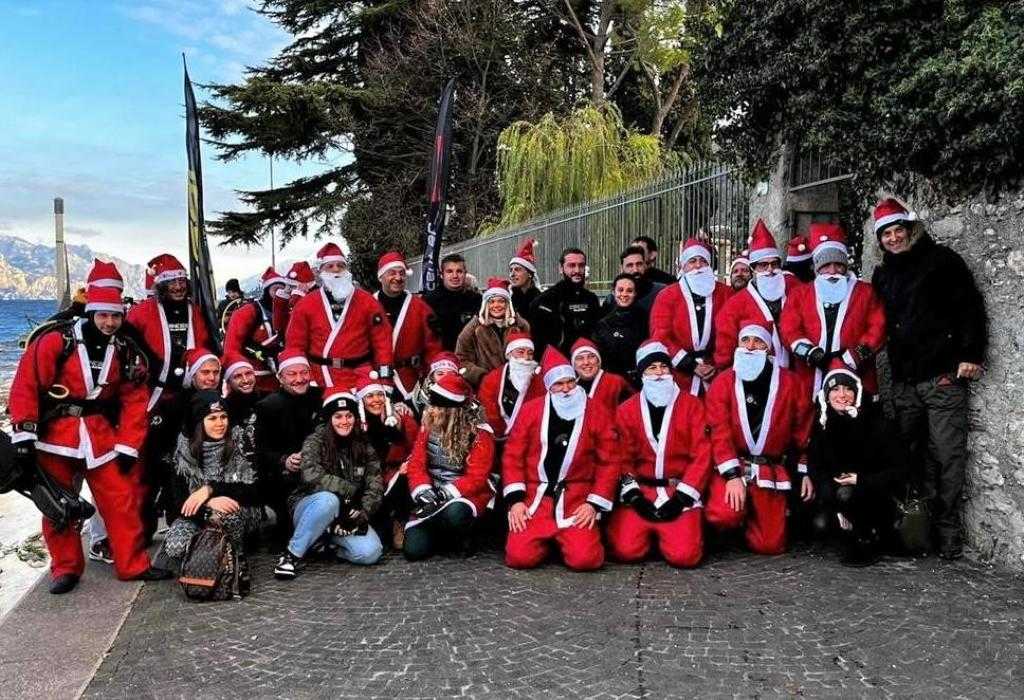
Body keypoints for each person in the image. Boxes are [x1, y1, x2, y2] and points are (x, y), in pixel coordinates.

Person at [7, 270, 170, 593]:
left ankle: (132, 565)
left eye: (115, 316)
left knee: (122, 501)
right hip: (55, 437)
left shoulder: (124, 350)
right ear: (91, 311)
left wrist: (128, 445)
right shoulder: (56, 340)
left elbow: (134, 400)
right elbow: (26, 384)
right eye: (104, 315)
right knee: (57, 505)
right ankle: (65, 569)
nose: (110, 322)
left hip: (101, 437)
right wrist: (24, 435)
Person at [870, 197, 987, 560]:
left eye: (898, 230)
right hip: (905, 380)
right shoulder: (883, 274)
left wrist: (970, 354)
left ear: (910, 229)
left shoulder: (943, 262)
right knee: (906, 453)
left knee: (946, 455)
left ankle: (947, 531)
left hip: (941, 377)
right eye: (886, 234)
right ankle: (911, 530)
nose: (893, 238)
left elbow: (970, 307)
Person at [502, 347, 619, 571]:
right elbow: (513, 455)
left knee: (585, 560)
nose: (566, 389)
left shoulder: (596, 410)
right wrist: (516, 501)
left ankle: (574, 539)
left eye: (570, 382)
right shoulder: (530, 411)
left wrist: (594, 504)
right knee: (519, 558)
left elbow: (610, 461)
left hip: (576, 498)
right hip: (536, 498)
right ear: (548, 386)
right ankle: (548, 541)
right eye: (558, 384)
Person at [703, 318, 813, 555]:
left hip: (769, 469)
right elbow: (718, 431)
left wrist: (803, 470)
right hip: (734, 465)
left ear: (769, 347)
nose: (751, 346)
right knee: (723, 514)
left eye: (758, 341)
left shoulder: (791, 383)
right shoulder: (723, 382)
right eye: (745, 340)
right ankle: (733, 519)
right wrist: (732, 475)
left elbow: (803, 429)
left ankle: (753, 518)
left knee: (770, 545)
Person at [128, 253, 213, 540]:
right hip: (154, 398)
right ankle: (141, 530)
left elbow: (202, 345)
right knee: (148, 465)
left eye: (181, 280)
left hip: (187, 396)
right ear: (159, 286)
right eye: (171, 282)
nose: (177, 286)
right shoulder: (141, 313)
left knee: (186, 461)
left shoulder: (195, 312)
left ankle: (183, 522)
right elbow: (128, 349)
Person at [607, 340, 711, 568]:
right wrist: (634, 495)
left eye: (663, 367)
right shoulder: (626, 410)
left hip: (678, 488)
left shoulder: (692, 405)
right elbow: (622, 457)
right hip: (643, 489)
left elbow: (702, 454)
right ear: (642, 373)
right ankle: (653, 534)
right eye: (651, 368)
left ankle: (676, 531)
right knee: (625, 551)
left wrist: (682, 497)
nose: (659, 373)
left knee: (685, 557)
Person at [274, 389, 385, 579]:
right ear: (329, 419)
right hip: (310, 506)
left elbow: (375, 483)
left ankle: (325, 544)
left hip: (345, 513)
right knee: (328, 500)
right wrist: (350, 493)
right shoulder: (314, 442)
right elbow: (311, 477)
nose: (344, 421)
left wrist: (362, 513)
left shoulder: (364, 445)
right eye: (338, 416)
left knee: (370, 553)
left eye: (349, 416)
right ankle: (291, 556)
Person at [808, 368, 909, 566]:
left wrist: (860, 480)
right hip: (838, 494)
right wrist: (832, 497)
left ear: (858, 393)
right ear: (827, 396)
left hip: (875, 492)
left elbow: (899, 470)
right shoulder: (822, 424)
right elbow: (817, 466)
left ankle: (868, 536)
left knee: (849, 496)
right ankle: (847, 527)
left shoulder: (877, 424)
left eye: (848, 389)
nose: (842, 395)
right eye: (835, 389)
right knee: (820, 524)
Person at [160, 391, 263, 576]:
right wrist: (207, 505)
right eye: (212, 418)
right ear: (200, 422)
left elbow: (253, 490)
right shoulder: (183, 451)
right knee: (174, 547)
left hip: (241, 508)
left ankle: (236, 558)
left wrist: (209, 489)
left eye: (223, 417)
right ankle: (208, 552)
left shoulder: (240, 440)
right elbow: (178, 500)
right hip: (198, 513)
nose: (220, 423)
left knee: (225, 513)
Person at [781, 222, 886, 397]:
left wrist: (853, 356)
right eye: (825, 265)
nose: (832, 271)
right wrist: (810, 353)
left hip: (857, 378)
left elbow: (878, 329)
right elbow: (788, 329)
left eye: (838, 264)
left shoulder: (865, 292)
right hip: (810, 379)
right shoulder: (800, 294)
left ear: (846, 265)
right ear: (816, 268)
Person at [403, 373, 495, 561]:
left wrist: (446, 493)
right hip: (432, 493)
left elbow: (477, 477)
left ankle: (465, 533)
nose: (431, 411)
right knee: (414, 551)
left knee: (455, 514)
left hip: (465, 494)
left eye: (437, 407)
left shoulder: (479, 433)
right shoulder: (429, 425)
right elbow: (416, 464)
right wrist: (423, 490)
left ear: (451, 411)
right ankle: (439, 532)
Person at [285, 242, 394, 390]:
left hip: (361, 377)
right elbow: (295, 345)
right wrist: (301, 378)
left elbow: (382, 342)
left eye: (340, 266)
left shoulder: (368, 301)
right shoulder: (305, 305)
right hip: (321, 377)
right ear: (319, 271)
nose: (336, 270)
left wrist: (385, 379)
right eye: (330, 266)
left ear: (347, 270)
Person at [715, 219, 801, 372]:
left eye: (774, 264)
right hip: (755, 375)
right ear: (753, 269)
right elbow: (724, 349)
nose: (770, 270)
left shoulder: (794, 290)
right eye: (763, 265)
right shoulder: (735, 305)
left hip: (795, 374)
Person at [649, 237, 731, 396]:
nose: (698, 266)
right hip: (680, 373)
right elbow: (660, 336)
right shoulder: (667, 296)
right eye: (692, 261)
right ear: (683, 266)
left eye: (703, 261)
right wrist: (691, 365)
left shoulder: (725, 294)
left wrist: (717, 363)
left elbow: (731, 333)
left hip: (716, 371)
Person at [254, 350, 323, 536]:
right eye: (292, 374)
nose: (299, 379)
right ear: (280, 378)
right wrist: (284, 460)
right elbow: (261, 450)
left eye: (304, 373)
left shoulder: (321, 398)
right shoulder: (268, 405)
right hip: (284, 478)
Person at [352, 369, 419, 549]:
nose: (376, 400)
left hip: (398, 473)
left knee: (405, 476)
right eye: (370, 396)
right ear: (361, 401)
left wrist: (407, 464)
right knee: (380, 536)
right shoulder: (356, 424)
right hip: (370, 478)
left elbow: (416, 447)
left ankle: (400, 521)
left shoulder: (400, 418)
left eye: (379, 395)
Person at [373, 251, 442, 401]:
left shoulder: (421, 308)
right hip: (375, 381)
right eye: (392, 273)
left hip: (411, 381)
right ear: (381, 276)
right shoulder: (366, 306)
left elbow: (433, 348)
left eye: (402, 273)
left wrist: (431, 376)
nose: (398, 278)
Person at [455, 277, 531, 387]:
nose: (496, 306)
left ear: (508, 304)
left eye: (501, 301)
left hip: (516, 386)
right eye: (492, 301)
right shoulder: (473, 328)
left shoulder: (521, 326)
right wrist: (482, 377)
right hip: (483, 387)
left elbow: (529, 355)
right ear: (486, 304)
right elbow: (461, 359)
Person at [224, 267, 288, 393]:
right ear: (266, 290)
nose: (279, 293)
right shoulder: (248, 312)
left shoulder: (288, 312)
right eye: (275, 289)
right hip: (253, 380)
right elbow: (231, 347)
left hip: (282, 379)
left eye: (283, 290)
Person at [530, 247, 601, 357]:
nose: (577, 270)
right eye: (571, 265)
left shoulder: (591, 299)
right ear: (561, 268)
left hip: (586, 364)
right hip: (556, 366)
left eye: (581, 265)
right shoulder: (544, 300)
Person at [477, 330, 545, 442]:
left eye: (530, 353)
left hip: (534, 436)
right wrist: (502, 431)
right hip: (501, 436)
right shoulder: (493, 378)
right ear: (509, 354)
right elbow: (487, 409)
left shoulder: (541, 378)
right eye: (520, 352)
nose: (526, 357)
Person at [422, 253, 483, 351]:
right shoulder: (428, 302)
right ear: (441, 275)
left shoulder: (477, 300)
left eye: (459, 271)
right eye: (449, 271)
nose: (455, 276)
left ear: (465, 273)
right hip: (441, 359)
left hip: (471, 357)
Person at [593, 273, 648, 380]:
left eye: (629, 291)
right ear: (613, 292)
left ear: (635, 293)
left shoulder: (645, 319)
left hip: (640, 379)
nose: (624, 294)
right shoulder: (604, 323)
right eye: (620, 290)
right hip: (613, 380)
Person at [570, 338, 633, 414]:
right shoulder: (570, 388)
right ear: (574, 364)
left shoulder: (616, 382)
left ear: (598, 360)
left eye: (591, 356)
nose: (586, 362)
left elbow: (633, 414)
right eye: (580, 358)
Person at [604, 246, 664, 315]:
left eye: (639, 264)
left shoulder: (661, 293)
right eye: (630, 265)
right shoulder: (612, 300)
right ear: (621, 268)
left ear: (645, 265)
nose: (635, 270)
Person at [409, 351, 463, 419]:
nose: (445, 378)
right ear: (432, 377)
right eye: (440, 374)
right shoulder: (420, 397)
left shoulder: (466, 398)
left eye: (450, 374)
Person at [508, 238, 541, 330]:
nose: (512, 274)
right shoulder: (507, 300)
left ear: (530, 274)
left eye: (517, 270)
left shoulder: (541, 301)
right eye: (511, 270)